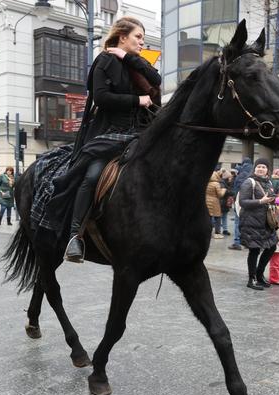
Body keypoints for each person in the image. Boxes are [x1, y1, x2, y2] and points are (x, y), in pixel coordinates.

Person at [47, 16, 161, 262]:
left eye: (143, 37)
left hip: (141, 133)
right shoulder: (104, 61)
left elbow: (157, 79)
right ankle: (75, 237)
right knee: (92, 176)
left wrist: (128, 57)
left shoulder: (138, 63)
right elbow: (101, 98)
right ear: (122, 37)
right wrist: (137, 100)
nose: (142, 42)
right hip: (109, 134)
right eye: (137, 37)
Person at [239, 158, 278, 290]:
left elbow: (270, 199)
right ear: (254, 168)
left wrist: (274, 200)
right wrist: (261, 201)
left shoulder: (269, 182)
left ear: (268, 170)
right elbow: (243, 202)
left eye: (264, 167)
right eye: (258, 166)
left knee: (271, 247)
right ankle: (252, 279)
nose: (261, 169)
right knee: (254, 250)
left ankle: (260, 274)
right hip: (251, 222)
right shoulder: (249, 182)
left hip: (266, 223)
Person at [228, 157, 253, 251]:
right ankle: (248, 242)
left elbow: (238, 189)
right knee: (250, 222)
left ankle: (237, 242)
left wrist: (235, 199)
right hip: (251, 202)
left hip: (241, 201)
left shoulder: (242, 173)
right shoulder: (253, 172)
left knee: (238, 222)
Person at [206, 171, 227, 239]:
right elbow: (220, 194)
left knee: (209, 217)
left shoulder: (207, 183)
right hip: (215, 202)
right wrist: (223, 190)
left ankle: (208, 232)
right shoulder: (216, 184)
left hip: (207, 201)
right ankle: (217, 233)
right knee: (217, 217)